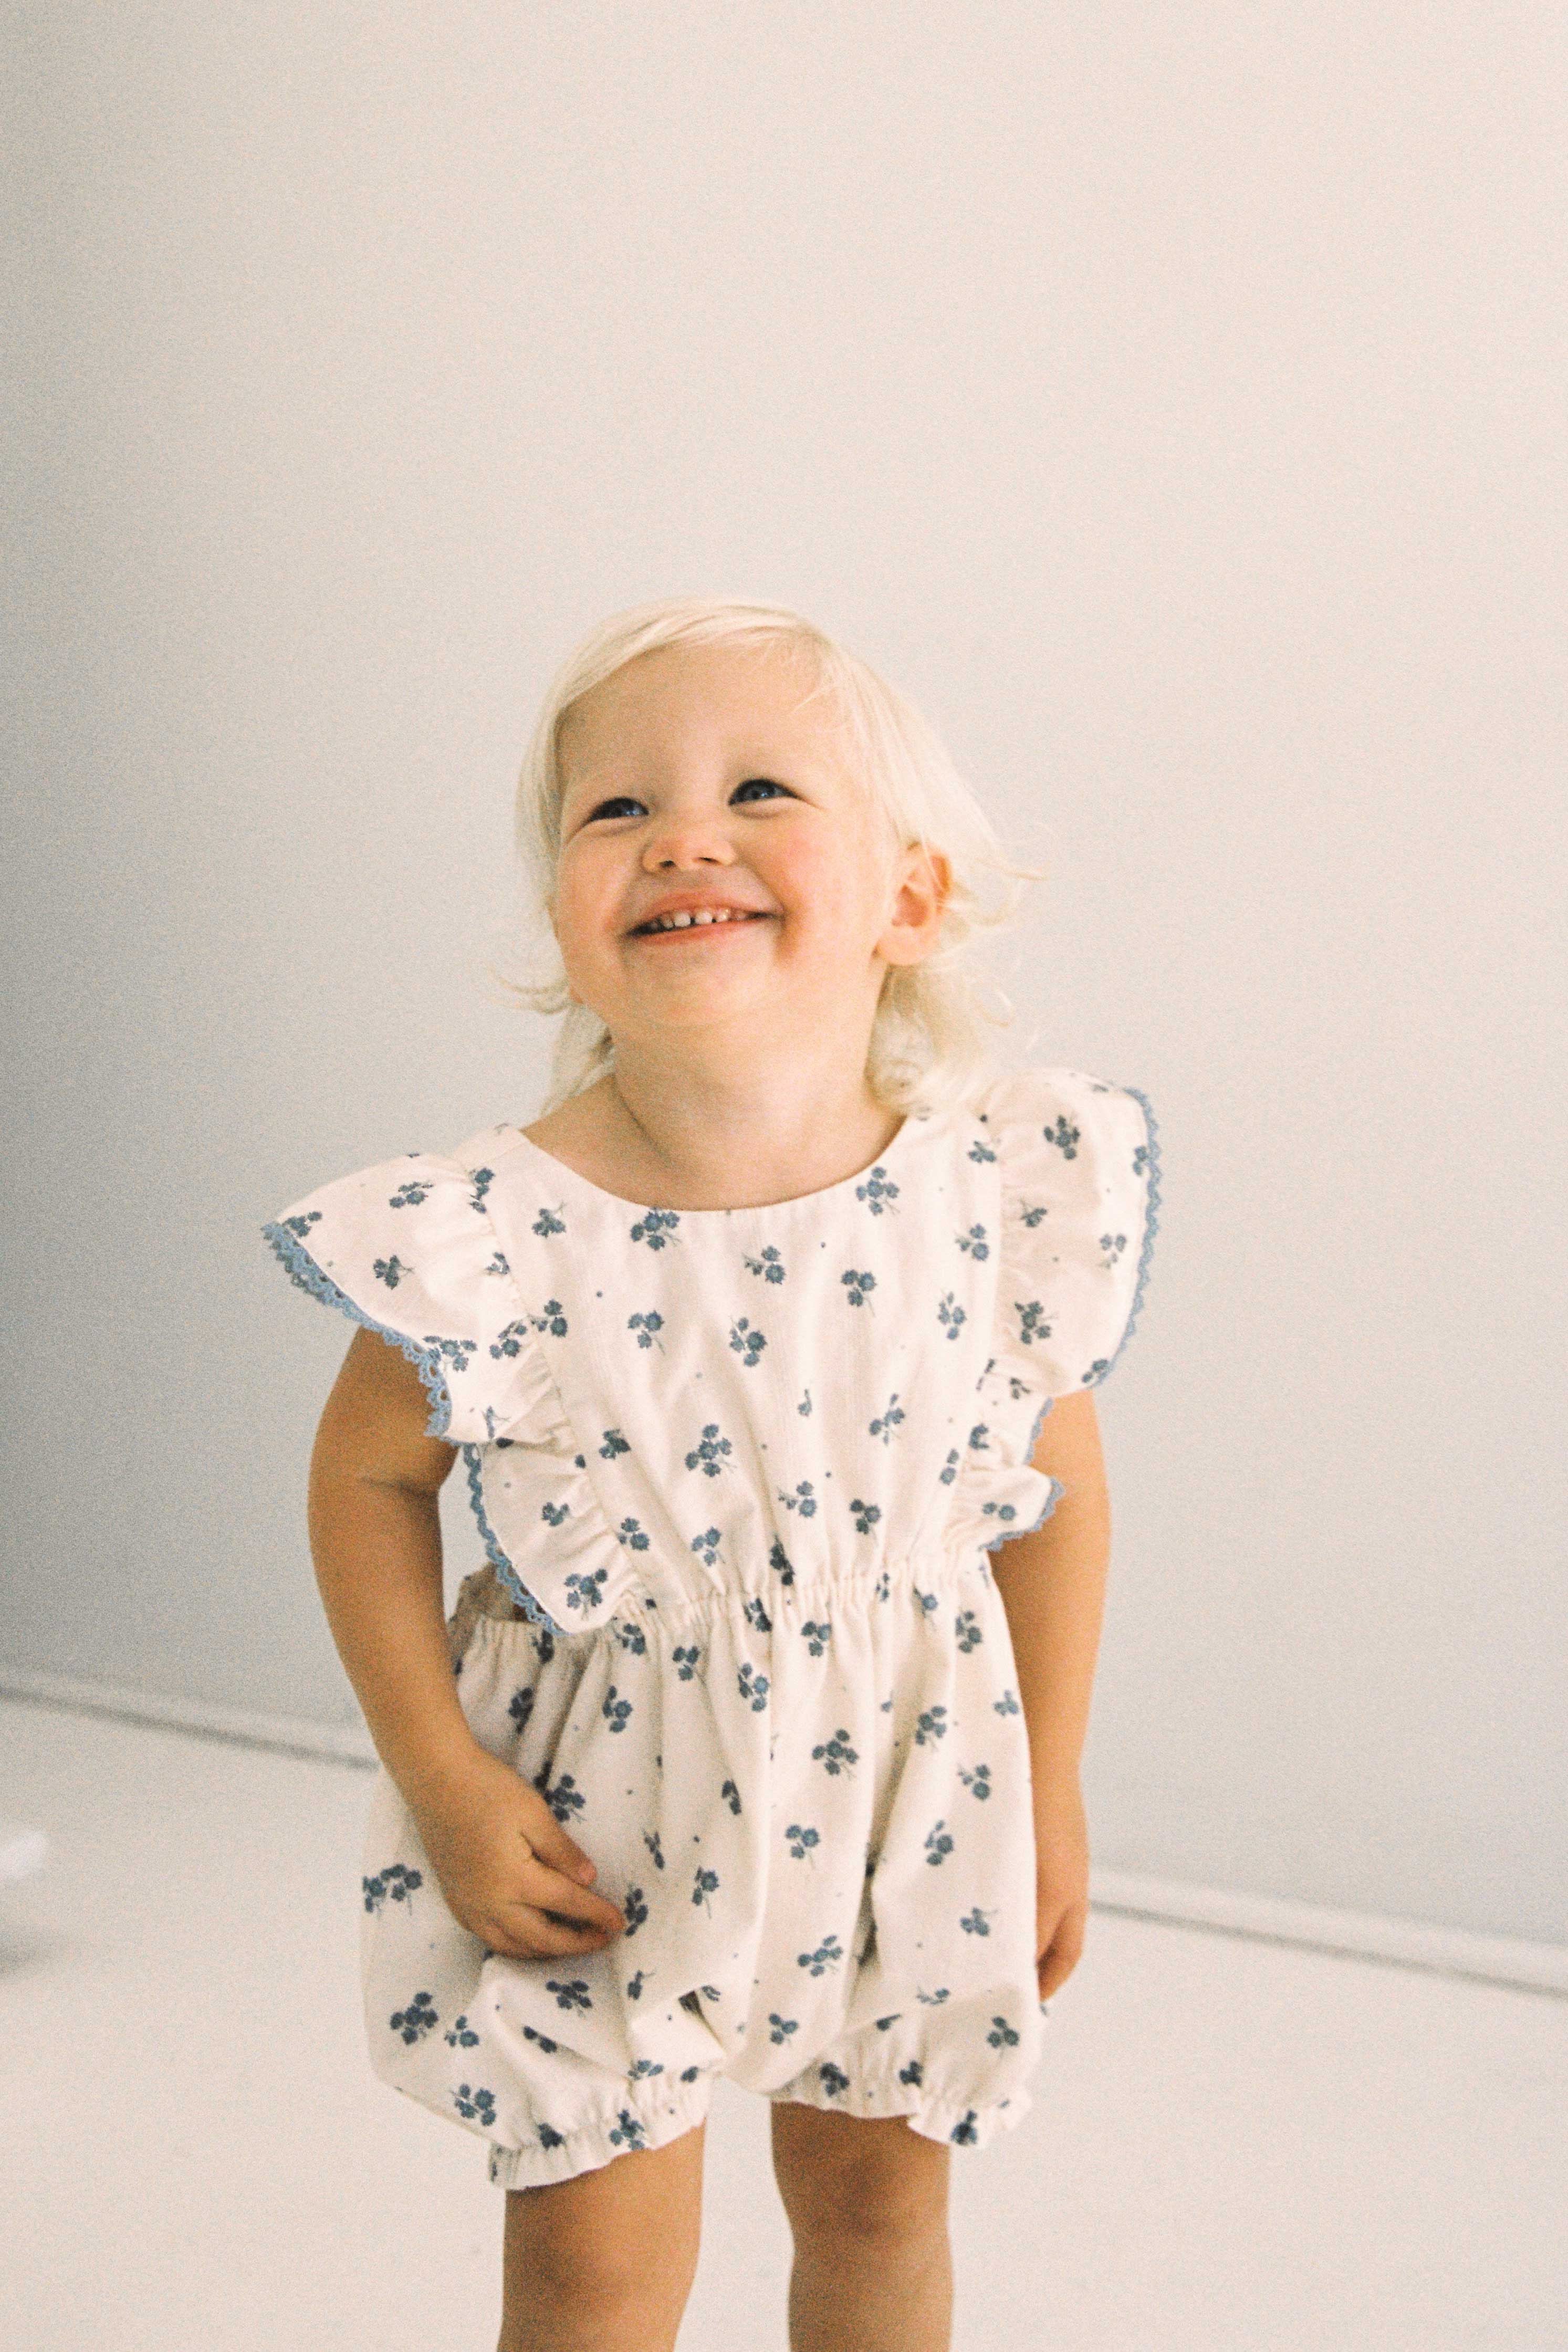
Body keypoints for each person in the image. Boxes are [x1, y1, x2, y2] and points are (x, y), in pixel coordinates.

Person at [261, 596, 1162, 2352]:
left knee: (879, 2206)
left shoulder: (987, 1205)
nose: (684, 834)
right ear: (567, 929)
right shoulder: (494, 1234)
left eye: (761, 789)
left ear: (906, 895)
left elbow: (1055, 1501)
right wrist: (442, 1778)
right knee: (594, 2268)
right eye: (615, 811)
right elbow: (366, 1485)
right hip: (595, 1820)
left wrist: (1047, 1779)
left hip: (905, 1791)